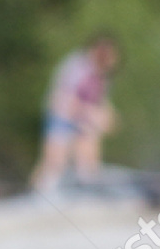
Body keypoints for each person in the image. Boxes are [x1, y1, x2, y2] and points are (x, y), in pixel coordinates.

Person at [31, 33, 120, 192]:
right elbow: (64, 98)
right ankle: (40, 193)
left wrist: (107, 117)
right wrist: (92, 114)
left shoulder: (102, 75)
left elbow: (100, 100)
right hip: (61, 114)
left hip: (80, 117)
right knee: (54, 160)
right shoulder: (78, 66)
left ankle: (87, 183)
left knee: (89, 151)